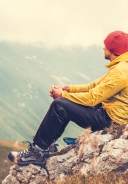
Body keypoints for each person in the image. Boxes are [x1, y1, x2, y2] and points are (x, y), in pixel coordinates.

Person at [8, 30, 128, 166]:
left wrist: (62, 95)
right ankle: (47, 146)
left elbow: (92, 98)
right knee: (64, 103)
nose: (103, 48)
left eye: (106, 45)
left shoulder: (120, 72)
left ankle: (37, 152)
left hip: (110, 120)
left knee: (60, 105)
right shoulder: (121, 66)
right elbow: (93, 86)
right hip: (108, 113)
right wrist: (68, 88)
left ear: (113, 49)